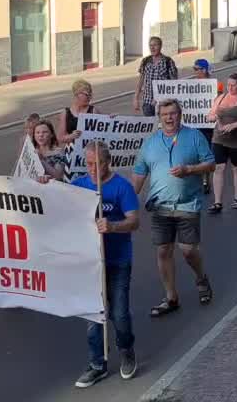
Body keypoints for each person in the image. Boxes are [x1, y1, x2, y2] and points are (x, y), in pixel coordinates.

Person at [51, 141, 139, 388]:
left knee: (119, 313)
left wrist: (113, 226)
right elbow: (57, 200)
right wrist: (45, 184)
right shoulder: (79, 185)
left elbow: (134, 221)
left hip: (118, 259)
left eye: (97, 163)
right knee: (94, 315)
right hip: (91, 263)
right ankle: (97, 363)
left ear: (107, 161)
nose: (92, 169)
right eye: (88, 163)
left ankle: (126, 350)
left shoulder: (122, 187)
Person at [131, 99, 216, 317]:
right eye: (165, 114)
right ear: (159, 118)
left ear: (180, 115)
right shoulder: (150, 143)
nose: (169, 118)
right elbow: (140, 173)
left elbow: (210, 164)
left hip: (188, 202)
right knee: (163, 250)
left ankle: (201, 278)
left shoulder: (194, 136)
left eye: (173, 113)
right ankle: (171, 297)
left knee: (188, 250)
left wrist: (189, 169)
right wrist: (129, 199)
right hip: (160, 206)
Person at [206, 73, 237, 213]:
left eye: (233, 85)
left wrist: (234, 125)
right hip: (220, 138)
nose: (230, 88)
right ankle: (217, 202)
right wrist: (211, 117)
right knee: (219, 168)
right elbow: (212, 113)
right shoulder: (221, 98)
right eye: (228, 85)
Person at [190, 59, 221, 194]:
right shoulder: (192, 85)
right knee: (194, 151)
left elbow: (219, 101)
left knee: (205, 150)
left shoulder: (216, 85)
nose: (195, 72)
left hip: (207, 123)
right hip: (193, 122)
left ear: (204, 70)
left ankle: (205, 179)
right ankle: (197, 178)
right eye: (194, 69)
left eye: (197, 69)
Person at [133, 36, 178, 116]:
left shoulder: (168, 62)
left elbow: (174, 84)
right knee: (150, 126)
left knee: (162, 126)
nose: (152, 48)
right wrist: (136, 98)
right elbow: (140, 81)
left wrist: (162, 98)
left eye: (155, 45)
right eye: (150, 45)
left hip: (163, 103)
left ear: (160, 46)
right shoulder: (145, 61)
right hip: (147, 102)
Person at [58, 79, 96, 146]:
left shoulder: (93, 110)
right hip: (72, 152)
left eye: (90, 94)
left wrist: (112, 118)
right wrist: (72, 136)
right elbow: (60, 138)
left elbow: (105, 131)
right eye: (87, 94)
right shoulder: (65, 113)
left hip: (89, 152)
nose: (90, 97)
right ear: (77, 94)